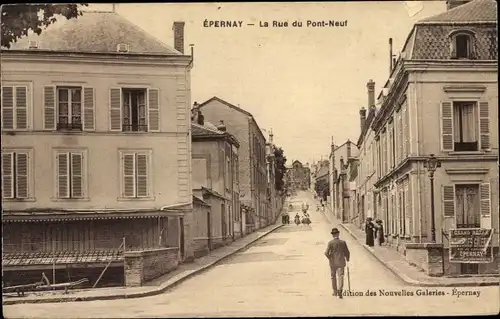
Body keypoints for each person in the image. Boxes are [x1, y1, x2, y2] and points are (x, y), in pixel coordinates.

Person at [324, 228, 350, 299]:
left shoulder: (330, 243)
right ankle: (340, 292)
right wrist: (347, 259)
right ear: (338, 234)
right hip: (341, 262)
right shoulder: (343, 242)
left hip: (332, 263)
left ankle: (335, 292)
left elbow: (326, 253)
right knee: (340, 276)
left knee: (333, 277)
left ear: (332, 235)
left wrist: (330, 258)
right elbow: (347, 252)